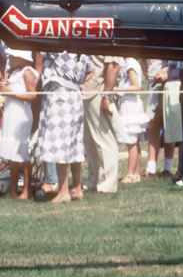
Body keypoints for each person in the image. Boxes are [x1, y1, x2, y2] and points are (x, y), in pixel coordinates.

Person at [35, 50, 88, 200]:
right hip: (75, 96)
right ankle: (77, 188)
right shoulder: (82, 50)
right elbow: (90, 69)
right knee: (75, 144)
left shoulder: (58, 49)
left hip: (60, 98)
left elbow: (40, 49)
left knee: (60, 145)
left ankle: (64, 191)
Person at [0, 48, 37, 198]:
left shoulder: (28, 72)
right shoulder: (14, 70)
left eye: (14, 55)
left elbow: (33, 95)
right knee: (12, 152)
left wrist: (12, 92)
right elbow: (7, 90)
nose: (11, 57)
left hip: (22, 114)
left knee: (21, 151)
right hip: (11, 112)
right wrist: (1, 82)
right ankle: (12, 188)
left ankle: (27, 189)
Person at [82, 54, 121, 194]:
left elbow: (114, 66)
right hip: (86, 91)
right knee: (89, 141)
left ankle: (108, 183)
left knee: (104, 139)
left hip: (98, 92)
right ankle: (94, 179)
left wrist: (106, 95)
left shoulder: (111, 39)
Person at [115, 56, 148, 184]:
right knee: (134, 141)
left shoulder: (130, 63)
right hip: (130, 103)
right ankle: (136, 173)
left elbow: (136, 86)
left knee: (131, 141)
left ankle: (130, 173)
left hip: (130, 104)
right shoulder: (130, 62)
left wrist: (117, 90)